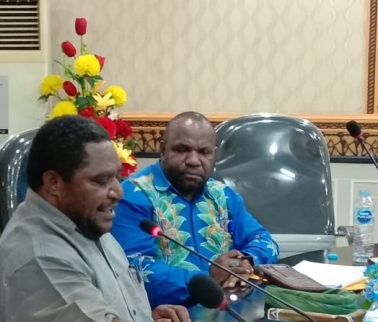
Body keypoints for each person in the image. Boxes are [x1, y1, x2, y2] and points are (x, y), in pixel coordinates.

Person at [0, 115, 275, 322]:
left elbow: (99, 313)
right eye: (101, 181)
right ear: (54, 183)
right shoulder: (37, 253)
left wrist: (144, 320)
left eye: (116, 177)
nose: (118, 191)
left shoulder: (87, 224)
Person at [111, 111, 279, 308]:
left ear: (214, 155)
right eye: (182, 149)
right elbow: (134, 270)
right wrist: (208, 277)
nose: (193, 160)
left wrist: (243, 262)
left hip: (228, 311)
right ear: (163, 149)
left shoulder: (223, 195)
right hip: (164, 317)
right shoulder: (132, 196)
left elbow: (264, 241)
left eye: (203, 152)